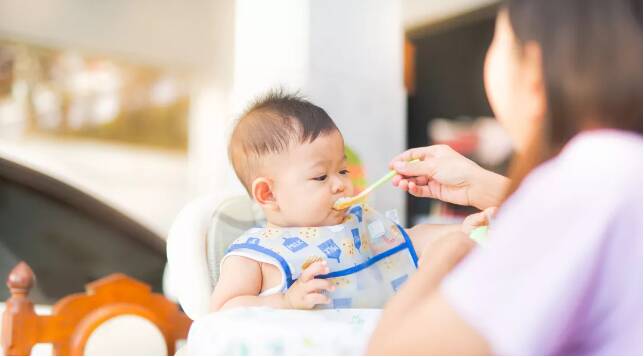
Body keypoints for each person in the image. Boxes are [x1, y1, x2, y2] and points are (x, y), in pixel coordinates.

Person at [368, 0, 642, 355]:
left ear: (532, 70)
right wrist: (485, 188)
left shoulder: (586, 180)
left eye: (497, 40)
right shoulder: (618, 168)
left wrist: (448, 252)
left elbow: (396, 351)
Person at [209, 91, 478, 311]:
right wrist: (284, 301)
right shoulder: (257, 255)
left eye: (343, 170)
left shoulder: (357, 223)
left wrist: (465, 230)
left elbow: (410, 240)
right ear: (268, 194)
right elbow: (221, 312)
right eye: (320, 176)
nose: (341, 184)